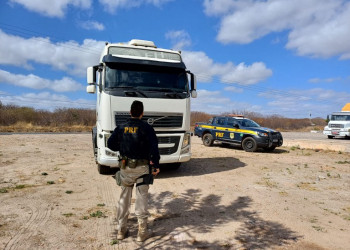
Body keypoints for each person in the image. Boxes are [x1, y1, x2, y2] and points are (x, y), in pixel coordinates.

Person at [107, 100, 160, 242]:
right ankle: (142, 233)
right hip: (143, 169)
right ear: (142, 113)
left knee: (124, 198)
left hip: (126, 169)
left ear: (130, 112)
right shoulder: (147, 128)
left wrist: (123, 147)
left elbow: (110, 144)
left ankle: (121, 230)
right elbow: (154, 148)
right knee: (141, 199)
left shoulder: (121, 127)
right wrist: (156, 165)